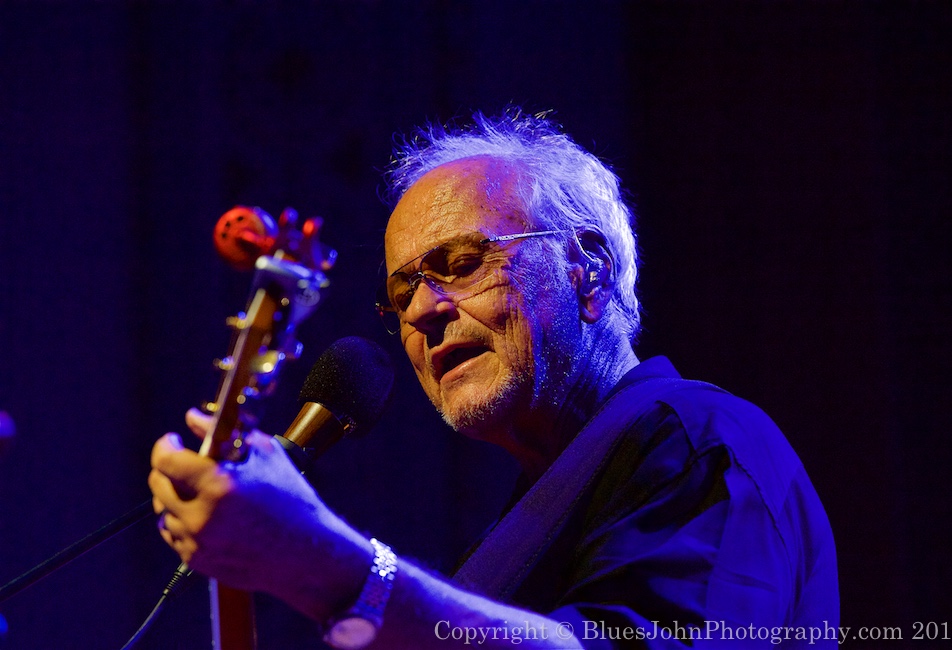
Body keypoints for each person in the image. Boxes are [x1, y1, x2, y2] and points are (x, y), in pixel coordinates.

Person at [149, 109, 839, 648]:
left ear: (587, 269)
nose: (421, 310)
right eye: (401, 293)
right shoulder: (523, 527)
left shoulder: (697, 441)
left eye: (460, 263)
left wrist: (320, 558)